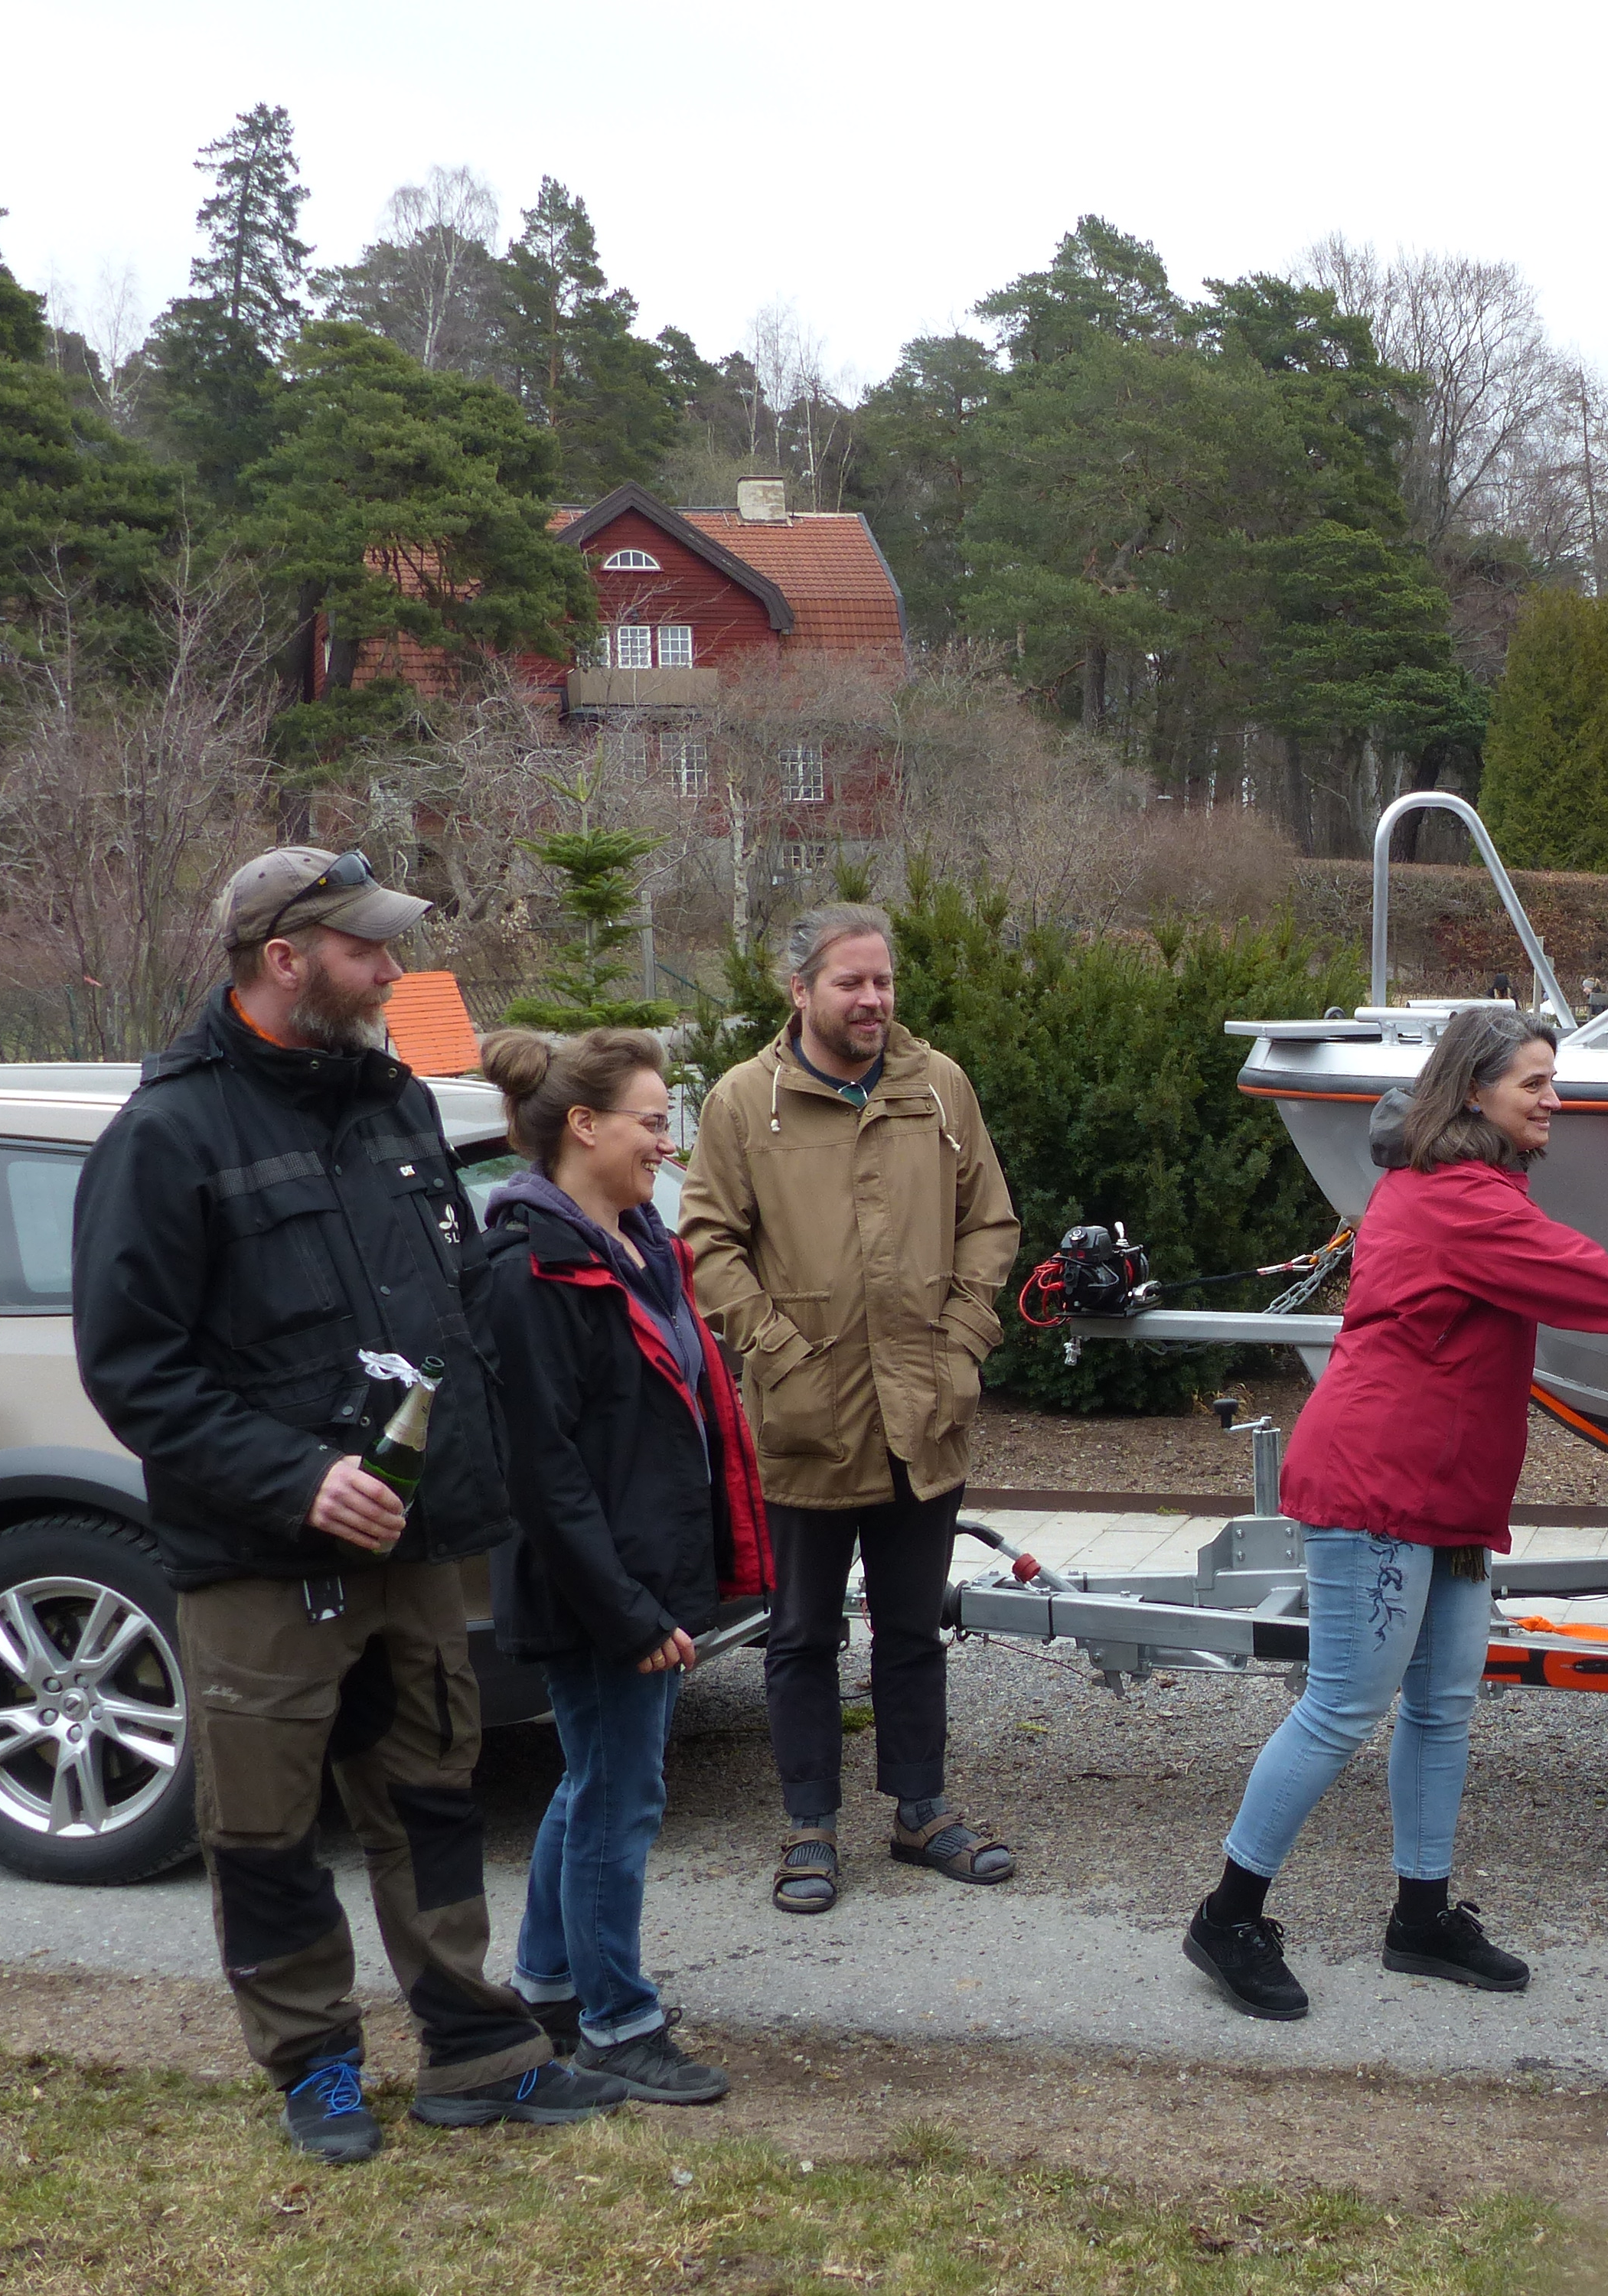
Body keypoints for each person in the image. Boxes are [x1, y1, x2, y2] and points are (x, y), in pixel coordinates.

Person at [70, 849, 626, 2164]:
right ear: (286, 960)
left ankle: (475, 2052)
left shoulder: (394, 1105)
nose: (394, 971)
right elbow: (135, 1370)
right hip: (263, 1561)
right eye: (368, 951)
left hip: (414, 1542)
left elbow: (442, 1305)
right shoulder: (169, 1134)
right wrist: (296, 1476)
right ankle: (313, 2066)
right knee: (264, 1828)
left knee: (432, 1796)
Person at [1180, 1005, 1608, 2020]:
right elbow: (1588, 1280)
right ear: (1476, 1092)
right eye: (1535, 1083)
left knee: (1441, 1707)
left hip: (1448, 1496)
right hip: (1378, 1487)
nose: (1554, 1100)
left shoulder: (1460, 1186)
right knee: (1344, 1705)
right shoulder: (1457, 1199)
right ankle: (1227, 1918)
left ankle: (1421, 1919)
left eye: (1553, 1080)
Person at [678, 902, 1022, 1916]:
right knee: (801, 1635)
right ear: (801, 992)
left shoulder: (938, 1090)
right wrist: (779, 1352)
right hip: (807, 1419)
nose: (871, 999)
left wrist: (961, 1342)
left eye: (882, 982)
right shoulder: (748, 1103)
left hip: (925, 1411)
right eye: (849, 983)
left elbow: (988, 1223)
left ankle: (922, 1810)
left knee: (914, 1630)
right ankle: (809, 1828)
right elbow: (705, 1245)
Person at [477, 1027, 774, 2105]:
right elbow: (546, 1474)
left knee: (594, 1781)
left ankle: (550, 1983)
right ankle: (615, 2021)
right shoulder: (528, 1272)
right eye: (654, 1122)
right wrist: (633, 1613)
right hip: (596, 1593)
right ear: (585, 1127)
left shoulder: (640, 1247)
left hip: (643, 1575)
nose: (666, 1142)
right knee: (619, 1797)